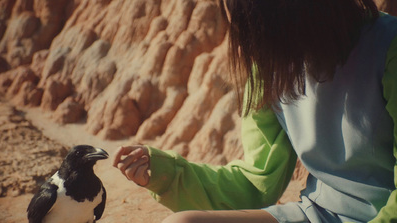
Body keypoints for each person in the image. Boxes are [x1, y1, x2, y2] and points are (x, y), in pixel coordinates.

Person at [113, 0, 397, 222]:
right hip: (318, 214)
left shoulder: (388, 46)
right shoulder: (269, 67)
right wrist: (167, 175)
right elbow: (256, 180)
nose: (244, 35)